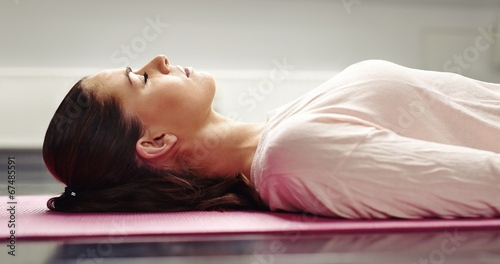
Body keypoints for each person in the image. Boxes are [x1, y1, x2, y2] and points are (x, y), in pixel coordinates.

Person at [43, 55, 500, 219]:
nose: (159, 59)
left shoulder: (280, 126)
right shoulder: (294, 157)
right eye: (139, 79)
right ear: (157, 141)